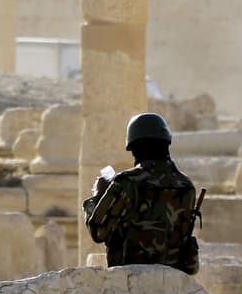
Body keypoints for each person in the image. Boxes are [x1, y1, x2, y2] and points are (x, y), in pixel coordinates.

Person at [82, 112, 201, 274]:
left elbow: (97, 232)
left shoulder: (127, 182)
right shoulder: (186, 186)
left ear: (134, 148)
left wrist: (99, 195)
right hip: (171, 280)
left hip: (130, 281)